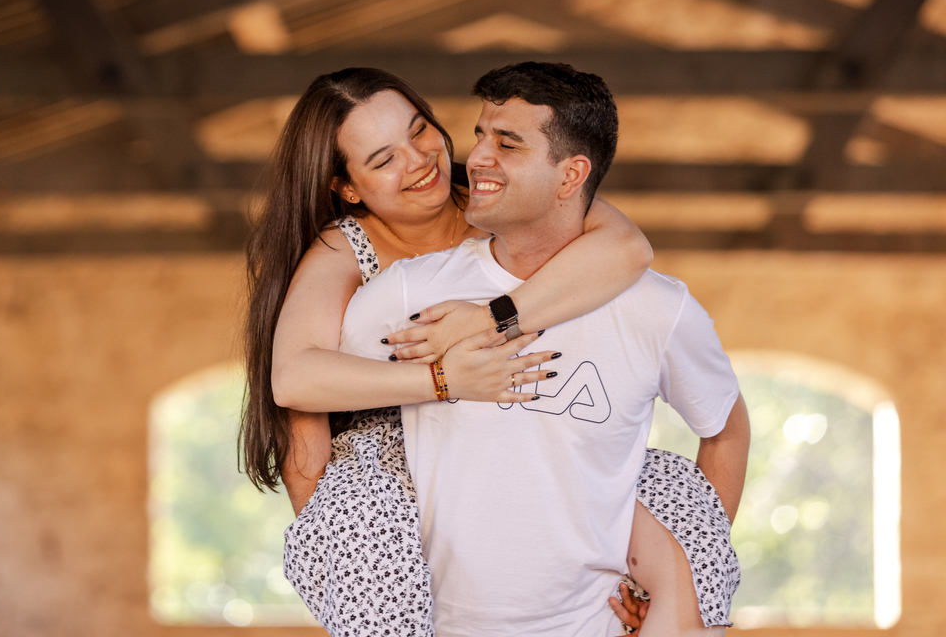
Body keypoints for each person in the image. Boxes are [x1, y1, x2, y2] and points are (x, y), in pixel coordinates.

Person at [238, 68, 731, 635]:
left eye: (419, 130)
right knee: (362, 523)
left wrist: (490, 320)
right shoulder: (348, 251)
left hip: (525, 434)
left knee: (675, 491)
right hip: (399, 444)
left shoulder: (499, 202)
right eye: (383, 159)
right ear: (348, 188)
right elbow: (298, 384)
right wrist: (443, 380)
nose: (419, 160)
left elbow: (627, 247)